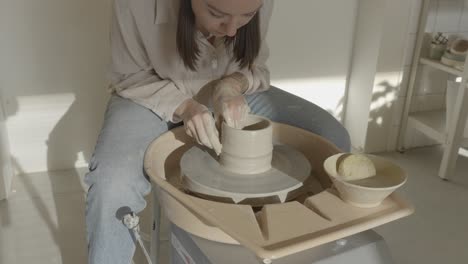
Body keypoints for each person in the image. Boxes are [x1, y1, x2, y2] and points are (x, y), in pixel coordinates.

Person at [84, 0, 350, 263]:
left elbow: (255, 67)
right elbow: (130, 77)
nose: (233, 30)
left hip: (224, 91)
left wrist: (231, 86)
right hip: (152, 94)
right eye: (216, 13)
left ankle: (295, 248)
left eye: (247, 15)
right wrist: (185, 107)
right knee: (111, 183)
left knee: (331, 138)